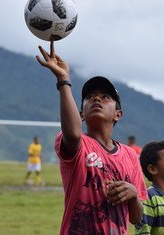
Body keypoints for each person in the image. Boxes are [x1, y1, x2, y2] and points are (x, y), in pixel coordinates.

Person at [36, 41, 148, 234]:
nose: (97, 99)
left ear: (118, 114)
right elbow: (72, 133)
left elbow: (136, 217)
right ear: (81, 114)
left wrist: (133, 195)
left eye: (105, 97)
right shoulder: (78, 144)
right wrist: (63, 79)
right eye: (90, 97)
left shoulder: (129, 155)